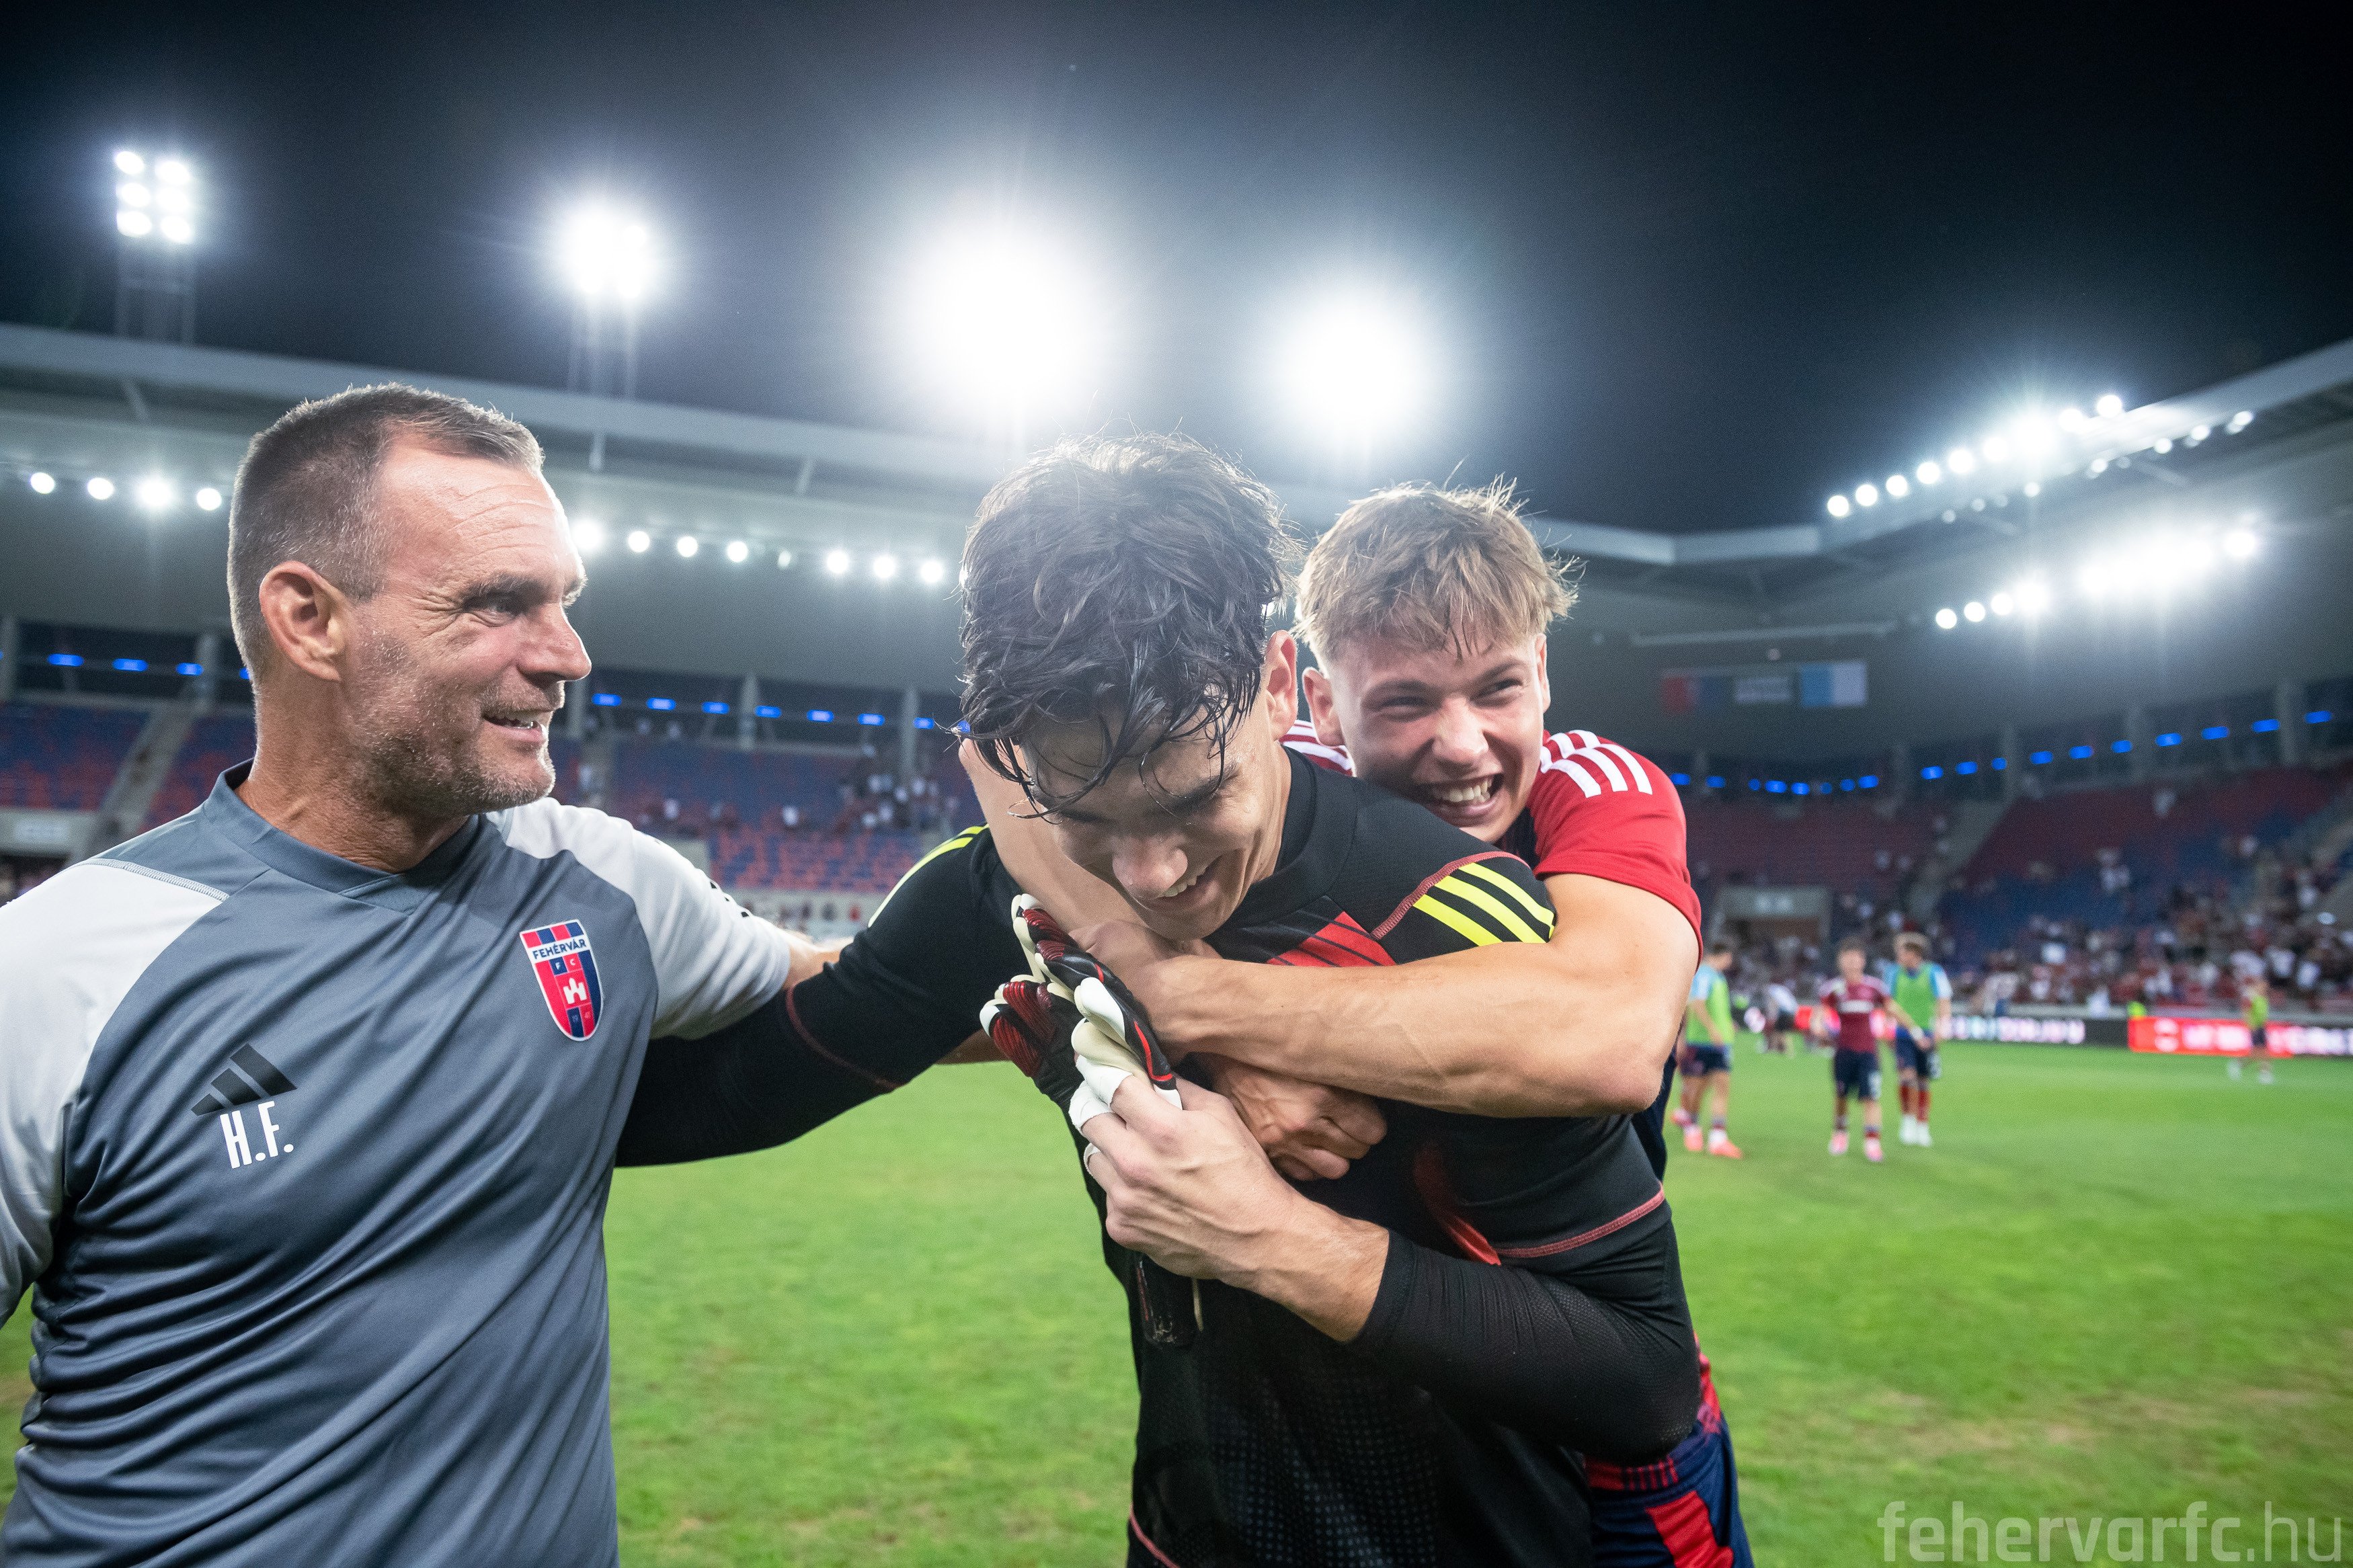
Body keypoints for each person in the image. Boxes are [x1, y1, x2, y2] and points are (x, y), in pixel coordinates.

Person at [627, 439, 1705, 1565]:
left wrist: (1272, 1234)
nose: (1148, 875)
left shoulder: (1472, 931)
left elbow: (1644, 1376)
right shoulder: (1020, 883)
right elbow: (765, 1072)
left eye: (1197, 799)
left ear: (1277, 688)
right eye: (1088, 817)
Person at [0, 386, 830, 1565]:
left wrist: (1059, 946)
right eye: (498, 602)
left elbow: (845, 996)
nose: (567, 655)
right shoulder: (57, 970)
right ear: (310, 618)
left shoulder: (600, 883)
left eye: (564, 601)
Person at [972, 481, 1746, 1565]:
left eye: (1498, 687)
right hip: (1396, 1415)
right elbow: (998, 764)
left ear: (1544, 673)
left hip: (1593, 1393)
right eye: (1405, 703)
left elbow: (1611, 1038)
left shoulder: (1598, 784)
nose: (1462, 744)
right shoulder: (1273, 779)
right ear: (1319, 705)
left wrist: (1190, 1003)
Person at [1817, 938, 1919, 1161]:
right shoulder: (1833, 989)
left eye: (1856, 958)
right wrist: (1818, 1027)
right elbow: (1820, 1013)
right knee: (1841, 1096)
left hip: (1868, 1053)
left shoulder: (1874, 987)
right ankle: (1840, 1135)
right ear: (1841, 961)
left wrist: (1914, 1030)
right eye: (1848, 958)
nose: (1852, 962)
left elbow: (1892, 1009)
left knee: (1871, 1097)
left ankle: (1872, 1142)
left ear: (1863, 961)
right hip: (1843, 1052)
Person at [1886, 932, 1952, 1145]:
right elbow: (1889, 1003)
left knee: (1923, 1080)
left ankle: (1923, 1125)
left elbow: (1943, 1001)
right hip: (1903, 1035)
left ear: (1914, 954)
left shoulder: (1934, 972)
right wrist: (1889, 1029)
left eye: (1902, 951)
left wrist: (1942, 1028)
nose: (1898, 956)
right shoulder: (1893, 973)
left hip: (1927, 1034)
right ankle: (1907, 1121)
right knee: (1907, 1076)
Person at [1679, 938, 1743, 1157]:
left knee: (1722, 1087)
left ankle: (1718, 1138)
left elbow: (1717, 1008)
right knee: (1697, 1089)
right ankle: (1692, 1128)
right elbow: (1697, 1004)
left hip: (1722, 1043)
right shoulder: (1704, 975)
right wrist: (1713, 1029)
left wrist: (1727, 1024)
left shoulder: (1717, 977)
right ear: (1725, 956)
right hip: (1701, 1041)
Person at [2233, 973, 2273, 1083]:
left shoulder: (2264, 997)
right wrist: (2250, 1025)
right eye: (2263, 985)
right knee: (2262, 1052)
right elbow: (2246, 1011)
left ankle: (2239, 1064)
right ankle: (2264, 1074)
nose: (2265, 987)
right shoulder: (2252, 996)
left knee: (2258, 1052)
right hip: (2255, 1027)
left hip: (2261, 1026)